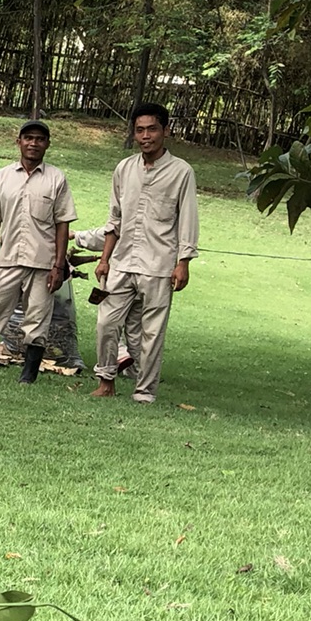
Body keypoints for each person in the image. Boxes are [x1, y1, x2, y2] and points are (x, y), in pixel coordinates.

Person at [91, 102, 198, 404]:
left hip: (160, 264)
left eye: (152, 129)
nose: (145, 136)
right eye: (140, 130)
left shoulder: (181, 172)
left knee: (152, 333)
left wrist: (183, 262)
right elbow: (115, 219)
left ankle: (144, 391)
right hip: (123, 260)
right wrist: (104, 259)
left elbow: (188, 219)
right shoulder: (124, 169)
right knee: (106, 322)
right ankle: (106, 380)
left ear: (165, 130)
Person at [0, 121, 76, 384]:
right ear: (19, 142)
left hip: (43, 262)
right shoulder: (2, 177)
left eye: (39, 139)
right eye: (28, 138)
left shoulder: (56, 179)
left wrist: (59, 265)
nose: (33, 143)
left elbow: (62, 224)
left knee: (37, 317)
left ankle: (28, 375)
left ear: (47, 144)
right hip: (7, 259)